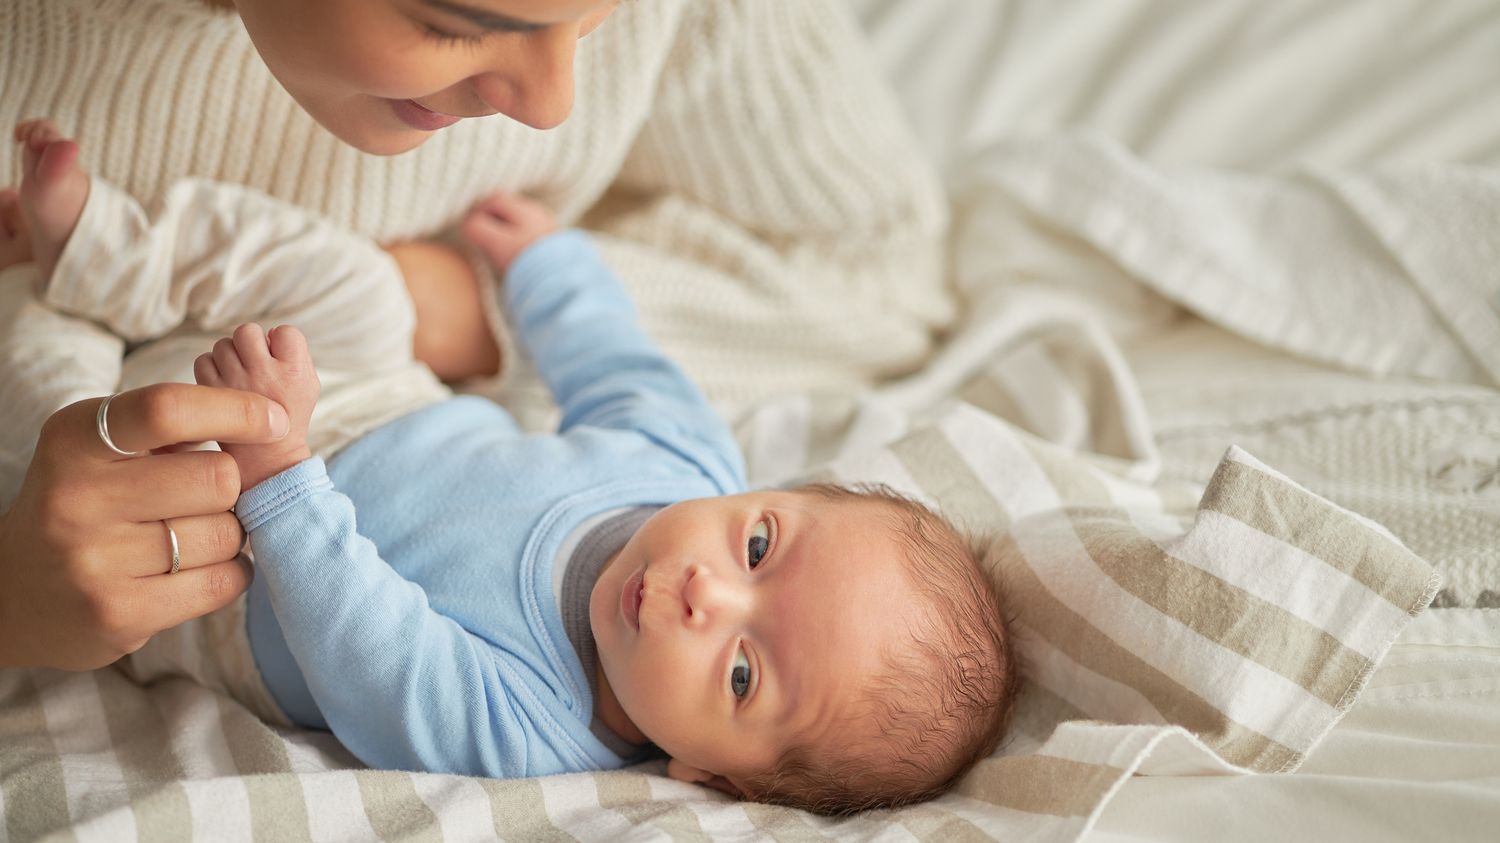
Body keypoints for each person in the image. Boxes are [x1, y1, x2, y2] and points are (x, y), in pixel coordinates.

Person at [1, 122, 1015, 815]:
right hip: (375, 394)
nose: (711, 592)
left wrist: (278, 476)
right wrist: (548, 270)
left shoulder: (534, 730)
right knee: (358, 286)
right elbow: (620, 366)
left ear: (713, 777)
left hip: (227, 564)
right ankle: (103, 247)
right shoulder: (684, 464)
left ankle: (39, 308)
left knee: (60, 437)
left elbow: (374, 651)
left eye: (743, 674)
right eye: (759, 546)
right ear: (770, 497)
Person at [0, 0, 950, 671]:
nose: (553, 105)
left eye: (596, 17)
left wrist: (470, 307)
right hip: (304, 375)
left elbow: (881, 282)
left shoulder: (538, 719)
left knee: (53, 372)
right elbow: (631, 384)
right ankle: (88, 246)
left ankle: (68, 282)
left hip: (262, 462)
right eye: (462, 20)